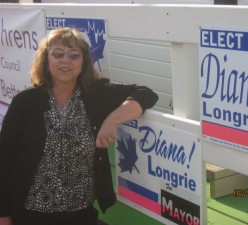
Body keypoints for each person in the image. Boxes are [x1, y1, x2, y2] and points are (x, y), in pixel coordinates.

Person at [0, 27, 158, 225]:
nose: (65, 61)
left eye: (74, 55)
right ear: (46, 59)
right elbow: (4, 161)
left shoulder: (97, 95)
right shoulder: (25, 102)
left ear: (83, 62)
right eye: (58, 54)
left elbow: (146, 94)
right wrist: (4, 215)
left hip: (81, 215)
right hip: (30, 214)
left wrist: (113, 119)